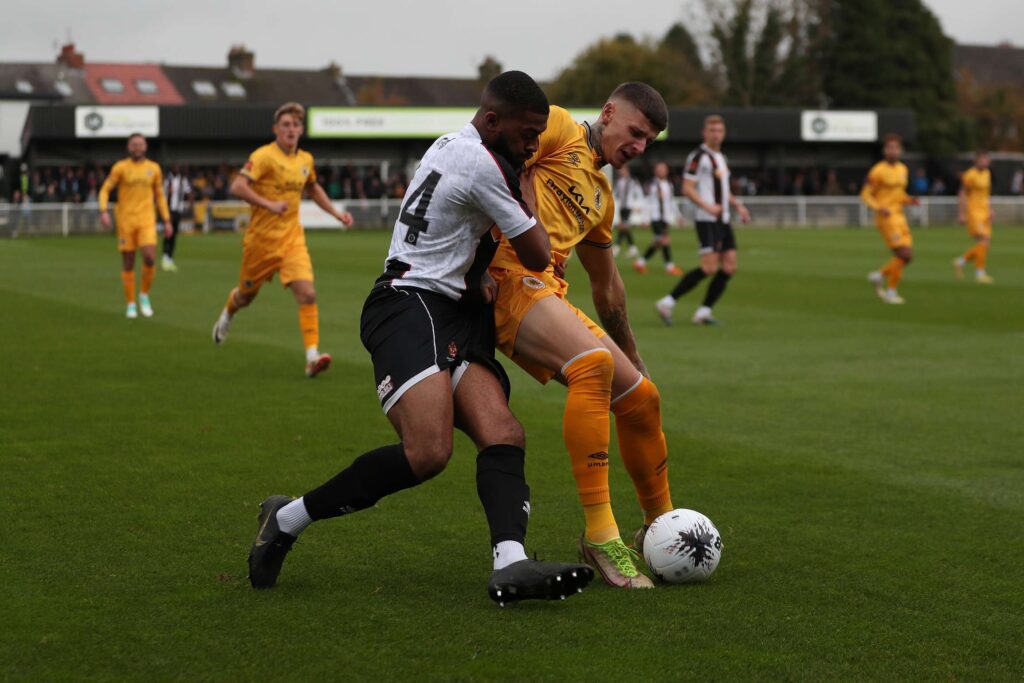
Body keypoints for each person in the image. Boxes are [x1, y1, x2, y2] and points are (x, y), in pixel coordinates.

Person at [247, 72, 593, 605]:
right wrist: (526, 184)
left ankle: (511, 563)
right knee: (429, 452)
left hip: (448, 308)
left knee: (505, 432)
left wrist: (473, 273)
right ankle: (287, 517)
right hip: (408, 303)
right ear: (493, 120)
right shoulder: (486, 164)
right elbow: (538, 254)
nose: (533, 145)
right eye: (528, 133)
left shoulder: (456, 143)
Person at [489, 83, 674, 590]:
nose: (638, 146)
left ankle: (663, 530)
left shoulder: (602, 197)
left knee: (642, 398)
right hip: (503, 278)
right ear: (609, 112)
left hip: (545, 290)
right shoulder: (560, 126)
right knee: (592, 364)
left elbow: (608, 290)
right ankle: (600, 535)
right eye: (635, 132)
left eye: (648, 141)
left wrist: (635, 358)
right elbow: (490, 155)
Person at [211, 102, 354, 378]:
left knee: (308, 293)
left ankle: (312, 357)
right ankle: (228, 313)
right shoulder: (263, 156)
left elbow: (312, 188)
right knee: (245, 296)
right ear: (275, 129)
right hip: (261, 243)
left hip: (292, 241)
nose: (291, 129)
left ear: (301, 130)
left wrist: (337, 214)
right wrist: (268, 204)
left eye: (295, 125)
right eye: (285, 125)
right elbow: (237, 186)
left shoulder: (305, 160)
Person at [656, 115, 750, 326]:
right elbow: (687, 188)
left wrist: (738, 205)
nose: (716, 134)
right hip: (707, 219)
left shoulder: (720, 157)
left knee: (729, 267)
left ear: (724, 133)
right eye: (712, 130)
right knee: (708, 268)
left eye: (719, 130)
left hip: (722, 220)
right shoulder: (698, 157)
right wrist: (708, 206)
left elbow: (724, 191)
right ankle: (667, 302)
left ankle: (703, 312)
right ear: (704, 133)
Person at [98, 133, 170, 319]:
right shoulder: (121, 167)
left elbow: (160, 195)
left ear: (145, 146)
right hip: (126, 221)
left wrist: (167, 219)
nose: (137, 147)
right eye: (133, 144)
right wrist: (104, 210)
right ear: (128, 147)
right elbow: (105, 189)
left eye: (140, 144)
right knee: (128, 262)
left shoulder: (153, 168)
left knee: (149, 258)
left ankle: (144, 295)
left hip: (146, 220)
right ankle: (130, 303)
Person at [860, 134, 919, 305]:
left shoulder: (903, 169)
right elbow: (865, 194)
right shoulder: (877, 171)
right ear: (884, 150)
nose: (893, 151)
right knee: (904, 254)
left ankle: (881, 278)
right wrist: (879, 207)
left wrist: (909, 200)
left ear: (900, 150)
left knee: (905, 257)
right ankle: (889, 289)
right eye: (890, 147)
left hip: (899, 216)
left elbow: (899, 194)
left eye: (896, 147)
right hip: (886, 218)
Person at [633, 162, 683, 275]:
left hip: (664, 218)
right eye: (659, 169)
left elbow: (671, 202)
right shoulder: (652, 184)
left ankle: (640, 263)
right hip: (656, 217)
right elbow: (647, 202)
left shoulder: (669, 185)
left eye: (663, 169)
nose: (661, 171)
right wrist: (645, 219)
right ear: (655, 171)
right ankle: (670, 267)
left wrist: (679, 216)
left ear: (667, 171)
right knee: (664, 240)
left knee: (657, 242)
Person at [954, 150, 994, 284]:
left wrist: (990, 209)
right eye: (982, 159)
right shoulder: (970, 175)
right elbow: (962, 193)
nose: (985, 162)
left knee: (985, 244)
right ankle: (980, 273)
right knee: (983, 241)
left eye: (986, 159)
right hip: (973, 211)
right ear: (976, 161)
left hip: (984, 212)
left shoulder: (987, 173)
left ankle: (961, 261)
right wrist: (961, 213)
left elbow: (986, 194)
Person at [161, 165, 192, 272]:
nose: (177, 168)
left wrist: (190, 207)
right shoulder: (167, 180)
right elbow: (162, 195)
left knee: (174, 235)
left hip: (178, 211)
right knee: (168, 234)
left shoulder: (183, 180)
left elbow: (189, 192)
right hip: (168, 211)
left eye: (178, 166)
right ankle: (165, 257)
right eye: (175, 166)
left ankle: (170, 257)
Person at [612, 166, 641, 258]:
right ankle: (632, 249)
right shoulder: (620, 182)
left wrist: (638, 206)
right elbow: (615, 193)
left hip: (628, 207)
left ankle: (617, 247)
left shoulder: (633, 182)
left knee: (623, 226)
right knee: (624, 227)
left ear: (627, 171)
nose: (621, 172)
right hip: (622, 206)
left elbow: (639, 193)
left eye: (623, 170)